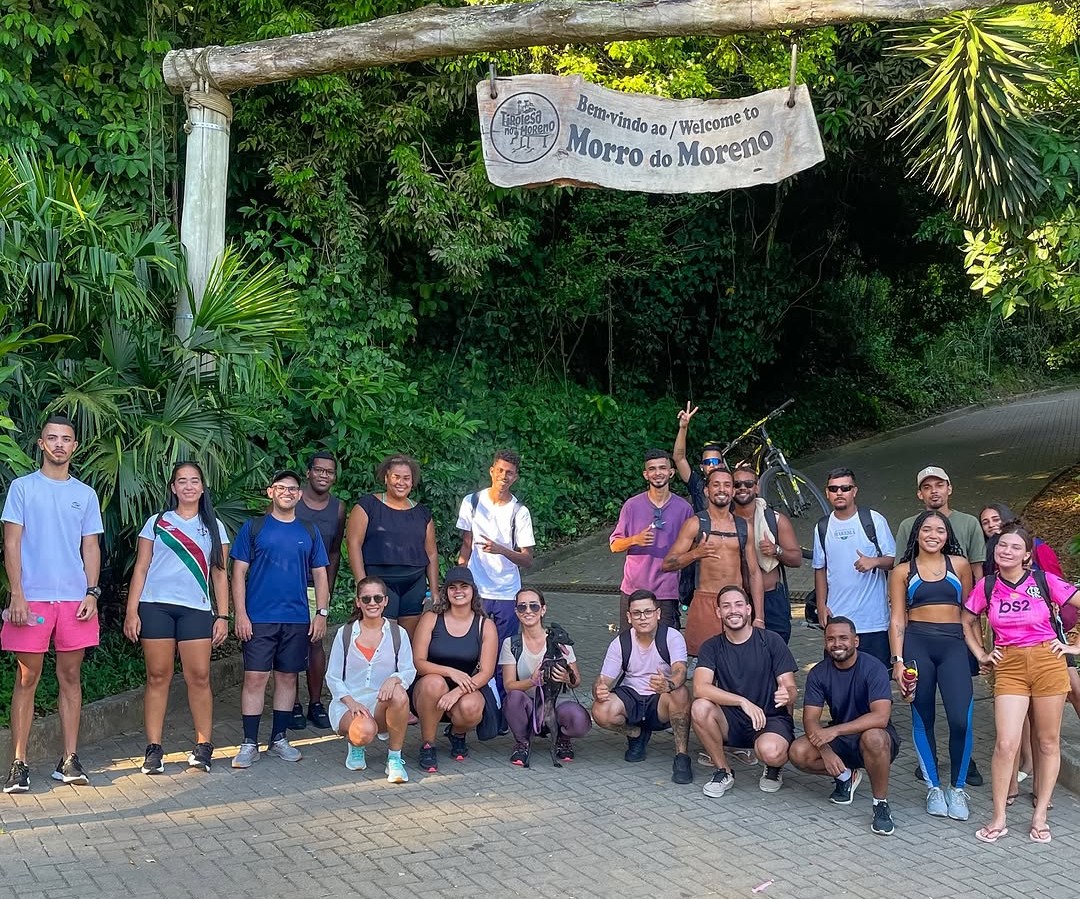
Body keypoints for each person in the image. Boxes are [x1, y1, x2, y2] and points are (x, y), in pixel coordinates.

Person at [2, 415, 104, 794]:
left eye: (66, 439)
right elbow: (11, 543)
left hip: (75, 600)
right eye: (52, 438)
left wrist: (92, 593)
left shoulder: (86, 494)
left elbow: (90, 546)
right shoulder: (23, 488)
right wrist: (17, 593)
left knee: (70, 678)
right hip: (31, 599)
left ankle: (69, 759)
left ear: (74, 447)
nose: (60, 444)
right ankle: (18, 763)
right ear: (41, 444)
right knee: (26, 679)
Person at [963, 522, 1080, 844]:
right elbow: (968, 619)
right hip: (1009, 665)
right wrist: (981, 653)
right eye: (1002, 546)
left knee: (1047, 742)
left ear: (1027, 554)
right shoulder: (986, 586)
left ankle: (1040, 815)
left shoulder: (1044, 581)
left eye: (1015, 547)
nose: (1007, 551)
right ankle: (999, 817)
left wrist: (1074, 646)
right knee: (1005, 743)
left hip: (1047, 662)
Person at [123, 462, 231, 775]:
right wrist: (132, 611)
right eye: (181, 481)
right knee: (158, 676)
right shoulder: (157, 523)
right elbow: (141, 568)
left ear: (202, 487)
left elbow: (221, 575)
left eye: (194, 481)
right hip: (155, 606)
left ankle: (203, 745)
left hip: (196, 608)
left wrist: (222, 615)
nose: (188, 486)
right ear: (173, 488)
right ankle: (154, 747)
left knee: (199, 676)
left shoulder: (214, 526)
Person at [230, 470, 330, 768]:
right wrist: (241, 614)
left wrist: (321, 613)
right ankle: (249, 742)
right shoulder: (254, 528)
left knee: (288, 678)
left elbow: (321, 575)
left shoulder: (309, 531)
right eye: (281, 488)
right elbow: (238, 573)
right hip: (259, 618)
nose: (287, 492)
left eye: (293, 489)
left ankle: (278, 738)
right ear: (270, 492)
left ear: (300, 495)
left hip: (297, 618)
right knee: (255, 678)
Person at [887, 510, 974, 820]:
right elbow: (897, 618)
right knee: (923, 716)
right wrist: (897, 660)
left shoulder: (960, 566)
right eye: (927, 529)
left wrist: (980, 650)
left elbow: (970, 613)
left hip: (953, 646)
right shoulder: (901, 571)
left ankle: (958, 788)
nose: (933, 534)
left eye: (940, 529)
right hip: (917, 645)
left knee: (960, 719)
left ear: (948, 535)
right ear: (917, 534)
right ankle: (934, 787)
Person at [789, 617, 900, 836]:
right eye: (830, 639)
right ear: (824, 643)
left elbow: (881, 717)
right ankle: (846, 777)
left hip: (876, 737)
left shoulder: (874, 667)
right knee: (798, 752)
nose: (837, 644)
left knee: (874, 737)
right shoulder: (818, 673)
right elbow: (810, 720)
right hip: (840, 738)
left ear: (856, 641)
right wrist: (825, 750)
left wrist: (835, 731)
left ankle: (880, 804)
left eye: (843, 638)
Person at [690, 585, 797, 798]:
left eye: (739, 604)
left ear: (749, 609)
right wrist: (742, 701)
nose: (733, 610)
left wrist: (788, 694)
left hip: (769, 717)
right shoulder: (711, 646)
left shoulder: (771, 640)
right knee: (699, 706)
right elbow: (700, 687)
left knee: (772, 752)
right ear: (718, 612)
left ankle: (774, 767)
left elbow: (791, 687)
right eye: (726, 606)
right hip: (731, 719)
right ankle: (723, 771)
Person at [456, 450, 534, 704]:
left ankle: (499, 710)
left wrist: (501, 549)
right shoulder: (472, 502)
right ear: (491, 471)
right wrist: (460, 577)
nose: (503, 476)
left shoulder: (519, 512)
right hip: (476, 591)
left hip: (506, 594)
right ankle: (471, 707)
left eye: (509, 472)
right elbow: (466, 545)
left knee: (502, 655)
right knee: (471, 652)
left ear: (515, 477)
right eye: (499, 470)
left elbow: (527, 559)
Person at [592, 589, 693, 784]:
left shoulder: (672, 637)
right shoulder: (620, 642)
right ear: (629, 617)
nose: (643, 618)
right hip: (631, 697)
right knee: (600, 709)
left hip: (660, 699)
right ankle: (636, 734)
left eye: (648, 612)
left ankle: (682, 755)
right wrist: (599, 689)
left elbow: (681, 670)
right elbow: (603, 679)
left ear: (658, 614)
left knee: (680, 692)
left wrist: (669, 683)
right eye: (637, 613)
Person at [662, 468, 763, 656]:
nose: (722, 489)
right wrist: (695, 554)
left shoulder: (743, 526)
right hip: (704, 601)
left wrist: (760, 618)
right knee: (703, 662)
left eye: (727, 485)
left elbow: (754, 573)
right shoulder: (695, 523)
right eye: (716, 485)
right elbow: (667, 564)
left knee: (739, 661)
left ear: (733, 491)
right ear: (707, 491)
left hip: (736, 602)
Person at [325, 576, 416, 784]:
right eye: (366, 599)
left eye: (377, 598)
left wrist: (393, 680)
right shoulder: (345, 633)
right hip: (350, 704)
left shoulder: (397, 633)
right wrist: (351, 702)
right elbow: (333, 676)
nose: (372, 603)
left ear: (385, 601)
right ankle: (355, 745)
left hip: (380, 703)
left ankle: (394, 758)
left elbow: (408, 671)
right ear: (358, 602)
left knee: (400, 693)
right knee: (364, 732)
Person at [410, 566, 499, 772]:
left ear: (473, 591)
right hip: (428, 685)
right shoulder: (431, 618)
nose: (458, 591)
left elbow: (486, 672)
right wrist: (451, 672)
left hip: (467, 685)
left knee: (472, 708)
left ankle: (457, 733)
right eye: (453, 587)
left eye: (464, 586)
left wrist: (458, 690)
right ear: (446, 592)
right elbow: (418, 662)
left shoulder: (484, 625)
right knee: (435, 682)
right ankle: (428, 744)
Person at [347, 453, 439, 641]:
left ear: (412, 482)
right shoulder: (367, 505)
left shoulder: (422, 512)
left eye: (406, 478)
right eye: (396, 477)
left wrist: (435, 590)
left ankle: (405, 672)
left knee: (407, 640)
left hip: (414, 584)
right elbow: (353, 544)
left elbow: (431, 553)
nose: (401, 482)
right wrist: (361, 584)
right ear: (386, 477)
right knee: (382, 639)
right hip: (380, 581)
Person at [812, 468, 896, 667]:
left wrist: (874, 561)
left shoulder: (873, 520)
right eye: (834, 489)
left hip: (873, 621)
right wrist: (821, 605)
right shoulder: (822, 527)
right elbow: (820, 569)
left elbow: (894, 560)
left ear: (854, 491)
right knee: (839, 683)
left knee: (877, 682)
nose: (839, 493)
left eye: (845, 488)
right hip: (838, 621)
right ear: (827, 493)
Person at [500, 587, 591, 767]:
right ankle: (522, 743)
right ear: (516, 611)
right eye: (522, 607)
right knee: (513, 698)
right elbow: (509, 685)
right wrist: (532, 681)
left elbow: (577, 681)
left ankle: (562, 739)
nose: (528, 611)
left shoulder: (558, 640)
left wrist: (566, 678)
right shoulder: (511, 644)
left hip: (555, 703)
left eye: (534, 606)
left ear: (543, 609)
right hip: (528, 704)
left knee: (580, 720)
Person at [610, 449, 694, 631]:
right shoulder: (631, 506)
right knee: (630, 646)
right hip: (633, 589)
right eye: (652, 469)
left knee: (665, 647)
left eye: (663, 468)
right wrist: (635, 539)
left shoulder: (684, 508)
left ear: (671, 472)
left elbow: (689, 550)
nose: (658, 473)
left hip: (667, 591)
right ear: (645, 474)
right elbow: (614, 545)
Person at [294, 451, 346, 730]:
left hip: (317, 585)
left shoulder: (338, 508)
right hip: (288, 585)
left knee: (315, 643)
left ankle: (315, 703)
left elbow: (335, 551)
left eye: (329, 471)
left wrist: (328, 587)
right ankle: (291, 704)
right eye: (319, 470)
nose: (324, 475)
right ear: (309, 473)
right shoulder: (292, 498)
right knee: (289, 643)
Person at [731, 464, 803, 643]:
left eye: (748, 484)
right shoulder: (723, 522)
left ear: (757, 487)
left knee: (775, 656)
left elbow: (796, 559)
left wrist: (776, 550)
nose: (742, 488)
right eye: (737, 484)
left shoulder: (775, 519)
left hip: (771, 599)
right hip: (736, 601)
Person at [894, 467, 986, 580]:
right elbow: (899, 568)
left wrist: (977, 596)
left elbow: (976, 567)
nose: (934, 491)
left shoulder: (969, 523)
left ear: (949, 489)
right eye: (927, 487)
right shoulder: (908, 526)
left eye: (939, 485)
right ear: (920, 494)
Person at [672, 402, 727, 513]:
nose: (711, 465)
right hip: (702, 529)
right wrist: (683, 428)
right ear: (702, 466)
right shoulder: (696, 484)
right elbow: (679, 458)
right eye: (707, 462)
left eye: (715, 461)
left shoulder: (731, 482)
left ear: (722, 465)